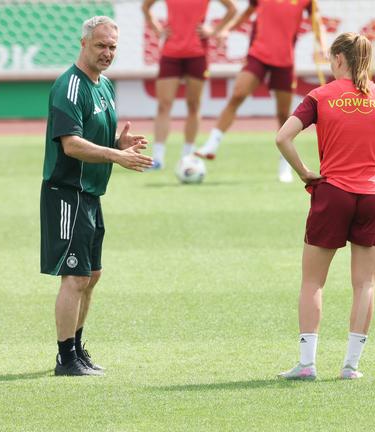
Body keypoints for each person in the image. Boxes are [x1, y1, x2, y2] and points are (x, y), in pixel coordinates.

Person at [274, 32, 375, 380]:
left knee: (313, 282)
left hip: (332, 194)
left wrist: (304, 172)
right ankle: (350, 366)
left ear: (338, 60)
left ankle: (306, 364)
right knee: (365, 284)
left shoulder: (320, 96)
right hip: (373, 197)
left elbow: (282, 137)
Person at [40, 16, 153, 376]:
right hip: (67, 194)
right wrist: (116, 155)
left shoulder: (103, 85)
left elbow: (94, 139)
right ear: (84, 43)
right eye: (101, 45)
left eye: (113, 47)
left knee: (92, 275)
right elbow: (71, 145)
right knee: (74, 277)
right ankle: (65, 358)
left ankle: (76, 348)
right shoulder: (68, 87)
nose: (107, 53)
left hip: (90, 194)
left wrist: (118, 144)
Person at [195, 0, 326, 183]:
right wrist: (228, 29)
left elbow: (316, 20)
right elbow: (247, 13)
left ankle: (285, 163)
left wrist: (323, 45)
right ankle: (211, 144)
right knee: (238, 94)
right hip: (258, 55)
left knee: (283, 115)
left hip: (284, 61)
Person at [142, 0, 237, 170]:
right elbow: (145, 6)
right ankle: (157, 157)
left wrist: (214, 30)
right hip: (171, 53)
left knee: (193, 105)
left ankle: (187, 156)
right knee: (164, 105)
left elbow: (232, 8)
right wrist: (157, 29)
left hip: (197, 53)